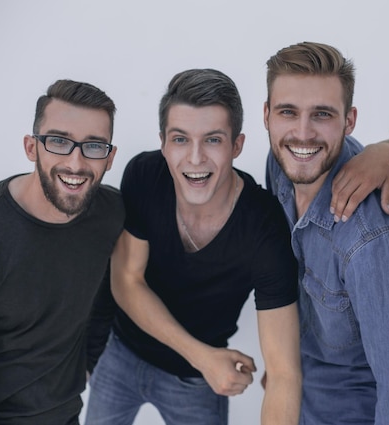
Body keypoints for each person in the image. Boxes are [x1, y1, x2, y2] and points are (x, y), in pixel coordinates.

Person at [85, 68, 301, 425]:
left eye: (213, 140)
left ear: (237, 145)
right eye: (181, 139)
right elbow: (126, 280)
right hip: (122, 353)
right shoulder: (144, 175)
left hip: (196, 383)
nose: (196, 158)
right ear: (164, 143)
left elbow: (284, 374)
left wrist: (203, 365)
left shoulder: (264, 225)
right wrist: (202, 357)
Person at [264, 41, 389, 424]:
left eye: (322, 114)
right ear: (267, 115)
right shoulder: (279, 168)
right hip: (297, 393)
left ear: (349, 120)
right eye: (288, 112)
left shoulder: (370, 237)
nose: (302, 134)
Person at [0, 79, 124, 424]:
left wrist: (87, 363)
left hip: (67, 414)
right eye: (58, 141)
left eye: (94, 146)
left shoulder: (111, 212)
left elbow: (110, 294)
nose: (75, 162)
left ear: (110, 157)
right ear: (31, 147)